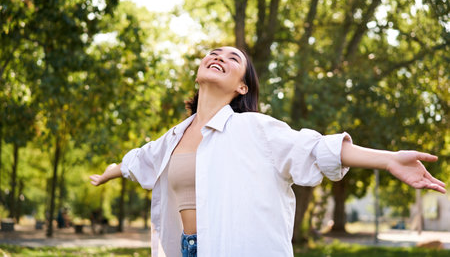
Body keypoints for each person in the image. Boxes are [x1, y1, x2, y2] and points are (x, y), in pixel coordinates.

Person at [90, 46, 446, 257]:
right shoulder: (173, 137)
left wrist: (388, 160)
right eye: (214, 52)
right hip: (187, 249)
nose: (219, 55)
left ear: (242, 85)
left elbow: (316, 148)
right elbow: (140, 160)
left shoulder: (255, 129)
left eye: (233, 57)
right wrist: (111, 171)